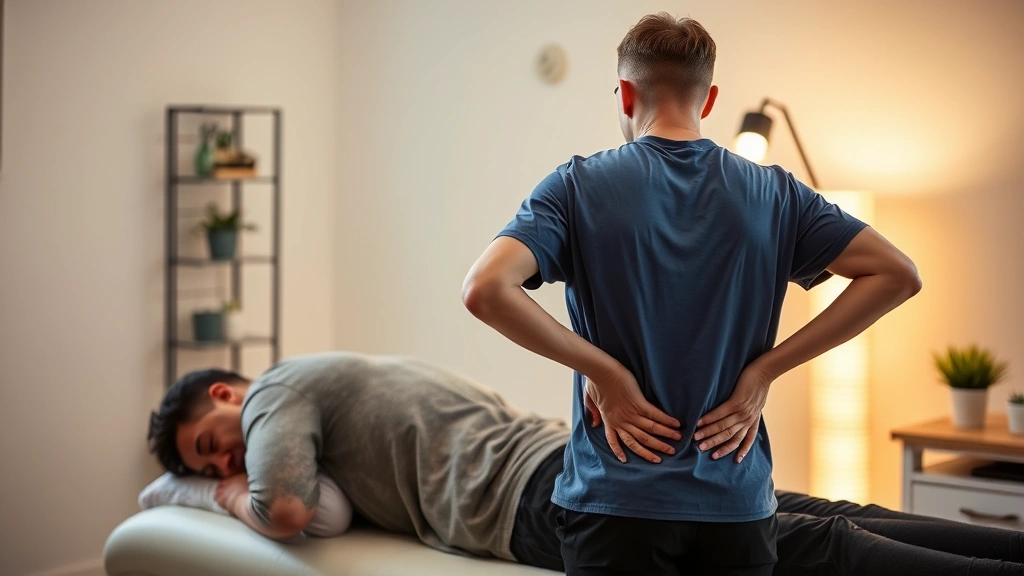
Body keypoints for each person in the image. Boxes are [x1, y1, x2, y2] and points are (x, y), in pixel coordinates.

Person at [462, 12, 923, 576]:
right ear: (708, 100)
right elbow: (897, 274)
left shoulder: (577, 185)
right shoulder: (774, 193)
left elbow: (485, 289)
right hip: (735, 505)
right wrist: (764, 373)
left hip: (615, 503)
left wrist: (606, 375)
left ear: (625, 94)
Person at [147, 352, 1024, 576]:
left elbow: (289, 508)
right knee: (817, 521)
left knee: (805, 550)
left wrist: (206, 490)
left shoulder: (272, 398)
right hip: (567, 455)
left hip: (534, 496)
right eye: (208, 460)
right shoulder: (340, 376)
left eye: (208, 441)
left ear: (227, 393)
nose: (223, 455)